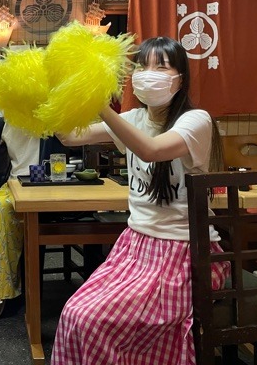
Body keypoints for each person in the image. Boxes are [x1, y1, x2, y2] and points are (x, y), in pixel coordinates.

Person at [51, 36, 228, 364]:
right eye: (143, 66)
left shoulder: (196, 120)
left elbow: (151, 150)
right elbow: (69, 136)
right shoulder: (133, 118)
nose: (148, 74)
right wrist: (58, 90)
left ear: (180, 78)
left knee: (91, 320)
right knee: (75, 313)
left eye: (161, 66)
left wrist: (100, 104)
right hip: (135, 247)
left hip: (185, 253)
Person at [0, 118, 67, 321]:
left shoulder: (52, 117)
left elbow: (71, 144)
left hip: (44, 188)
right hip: (12, 187)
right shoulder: (5, 122)